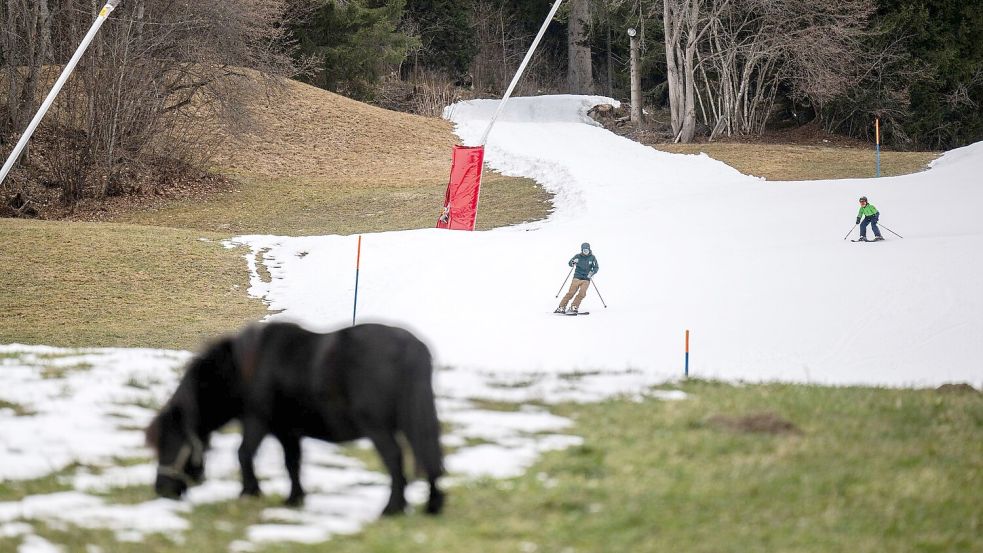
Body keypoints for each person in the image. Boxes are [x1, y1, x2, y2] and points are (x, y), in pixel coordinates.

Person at [555, 242, 599, 314]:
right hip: (577, 277)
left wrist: (592, 272)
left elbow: (596, 267)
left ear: (589, 249)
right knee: (571, 293)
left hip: (586, 279)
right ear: (582, 250)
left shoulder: (592, 257)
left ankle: (574, 306)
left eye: (587, 250)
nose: (586, 252)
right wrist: (573, 262)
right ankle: (561, 307)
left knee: (582, 293)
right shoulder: (577, 256)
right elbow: (570, 263)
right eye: (584, 250)